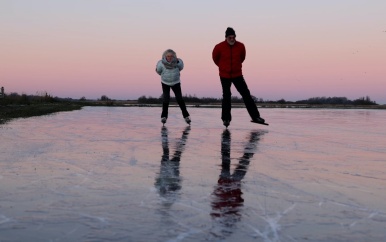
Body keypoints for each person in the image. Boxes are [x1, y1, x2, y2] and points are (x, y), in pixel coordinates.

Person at [212, 27, 265, 127]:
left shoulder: (241, 46)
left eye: (233, 37)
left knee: (246, 94)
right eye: (230, 37)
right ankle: (226, 119)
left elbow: (242, 58)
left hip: (237, 74)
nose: (232, 39)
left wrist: (236, 67)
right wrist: (223, 67)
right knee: (226, 96)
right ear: (226, 37)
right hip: (224, 75)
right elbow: (215, 59)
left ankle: (255, 117)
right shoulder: (219, 47)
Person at [156, 49, 191, 125]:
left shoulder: (178, 62)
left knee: (179, 99)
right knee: (166, 99)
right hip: (165, 82)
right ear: (165, 56)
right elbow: (158, 71)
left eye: (171, 56)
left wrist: (178, 62)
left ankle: (186, 116)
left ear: (174, 56)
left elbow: (181, 67)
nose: (170, 58)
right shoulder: (161, 63)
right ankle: (164, 117)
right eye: (168, 56)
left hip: (176, 82)